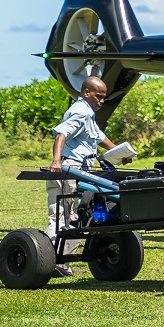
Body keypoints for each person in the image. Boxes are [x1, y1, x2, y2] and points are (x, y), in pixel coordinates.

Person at [46, 76, 118, 276]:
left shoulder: (87, 113)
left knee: (66, 216)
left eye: (103, 97)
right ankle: (52, 262)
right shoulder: (81, 112)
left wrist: (120, 152)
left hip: (75, 169)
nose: (101, 101)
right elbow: (61, 134)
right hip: (71, 169)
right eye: (98, 96)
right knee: (68, 216)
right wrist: (56, 161)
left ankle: (56, 262)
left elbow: (99, 137)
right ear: (86, 93)